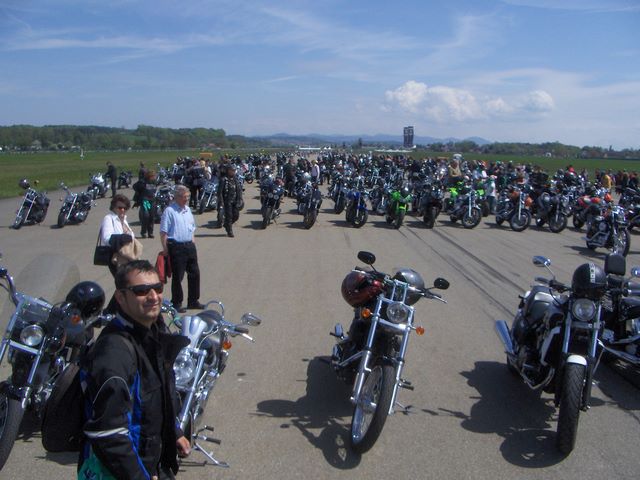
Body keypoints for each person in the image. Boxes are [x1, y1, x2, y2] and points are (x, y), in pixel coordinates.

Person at [78, 260, 191, 479]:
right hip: (129, 471)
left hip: (153, 463)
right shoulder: (114, 353)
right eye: (141, 291)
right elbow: (107, 432)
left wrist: (174, 431)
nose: (153, 296)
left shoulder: (152, 333)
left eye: (157, 288)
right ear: (121, 297)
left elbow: (157, 396)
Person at [159, 185, 204, 313]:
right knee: (178, 276)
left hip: (189, 245)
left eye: (188, 197)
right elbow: (163, 232)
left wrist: (192, 242)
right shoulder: (169, 211)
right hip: (176, 247)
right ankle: (176, 302)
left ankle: (193, 301)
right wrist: (165, 248)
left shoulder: (188, 210)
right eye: (184, 197)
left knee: (195, 273)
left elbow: (192, 227)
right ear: (177, 197)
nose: (187, 199)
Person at [99, 194, 135, 313]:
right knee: (123, 284)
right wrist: (123, 238)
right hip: (115, 257)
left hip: (126, 256)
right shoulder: (109, 218)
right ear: (114, 207)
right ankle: (110, 311)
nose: (122, 210)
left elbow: (132, 236)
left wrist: (126, 232)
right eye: (119, 207)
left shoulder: (124, 219)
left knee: (124, 284)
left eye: (125, 208)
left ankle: (117, 309)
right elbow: (106, 238)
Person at [218, 164, 243, 237]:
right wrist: (221, 201)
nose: (233, 172)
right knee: (229, 216)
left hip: (235, 201)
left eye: (234, 170)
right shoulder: (223, 179)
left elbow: (239, 190)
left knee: (236, 215)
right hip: (227, 201)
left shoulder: (235, 179)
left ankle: (227, 225)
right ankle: (230, 231)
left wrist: (240, 199)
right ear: (228, 170)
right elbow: (219, 192)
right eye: (231, 170)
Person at [133, 170, 157, 238]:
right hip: (145, 200)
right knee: (146, 216)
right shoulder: (143, 182)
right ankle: (143, 232)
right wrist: (139, 193)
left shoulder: (154, 182)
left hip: (152, 201)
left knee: (152, 217)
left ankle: (150, 232)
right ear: (150, 176)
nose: (155, 177)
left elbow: (154, 190)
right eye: (153, 176)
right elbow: (135, 186)